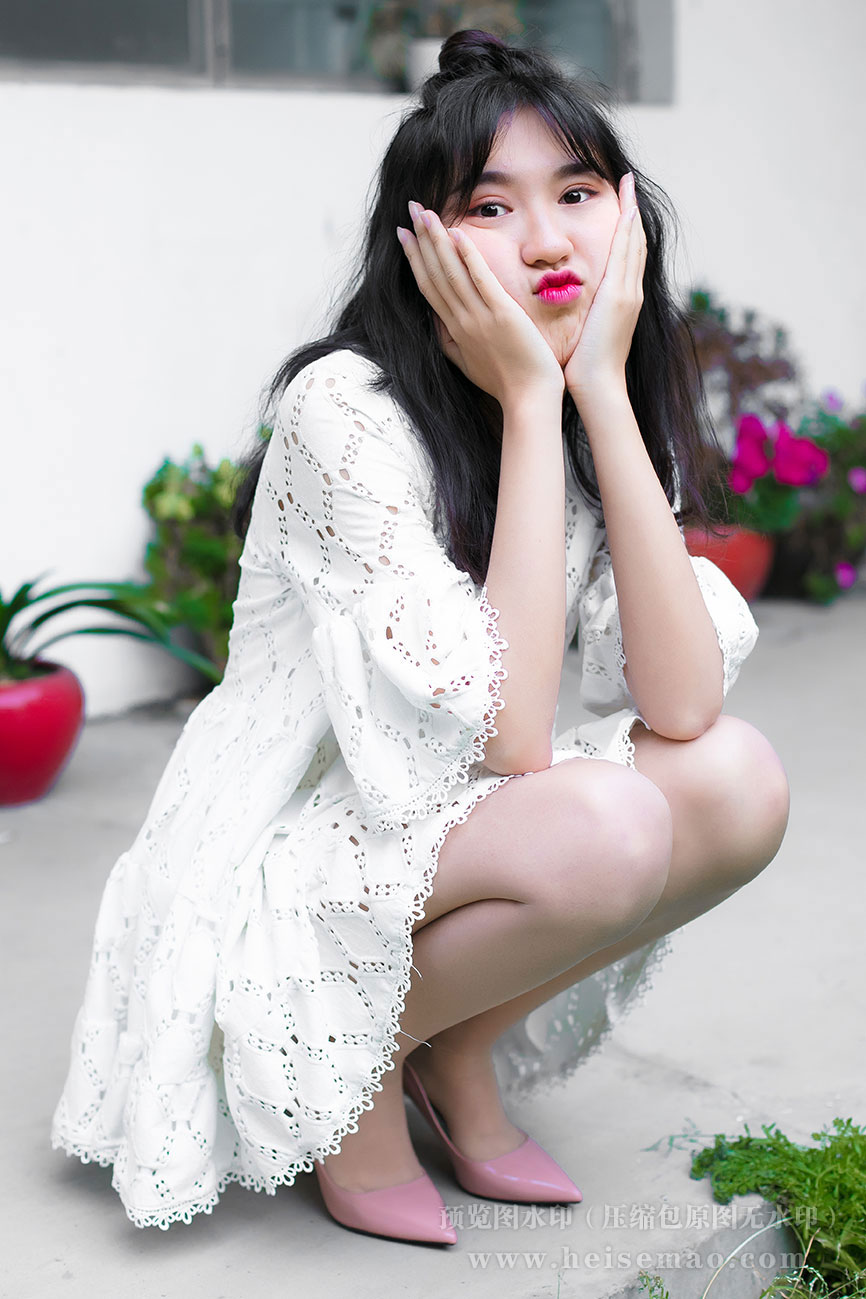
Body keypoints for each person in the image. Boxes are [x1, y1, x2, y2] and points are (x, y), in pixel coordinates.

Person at [51, 31, 790, 1245]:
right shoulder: (345, 409)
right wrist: (529, 401)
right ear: (423, 242)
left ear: (627, 216)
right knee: (604, 830)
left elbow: (681, 704)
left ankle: (447, 1042)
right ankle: (349, 1081)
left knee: (734, 783)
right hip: (303, 838)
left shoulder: (591, 385)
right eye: (490, 207)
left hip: (444, 826)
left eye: (577, 194)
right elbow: (507, 742)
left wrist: (598, 395)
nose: (546, 242)